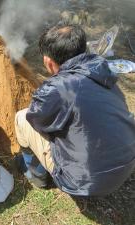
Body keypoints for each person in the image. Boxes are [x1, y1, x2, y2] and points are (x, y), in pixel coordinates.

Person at [15, 24, 135, 196]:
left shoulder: (56, 88)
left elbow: (37, 122)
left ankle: (36, 174)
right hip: (127, 164)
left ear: (48, 62)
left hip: (84, 182)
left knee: (21, 117)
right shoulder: (104, 73)